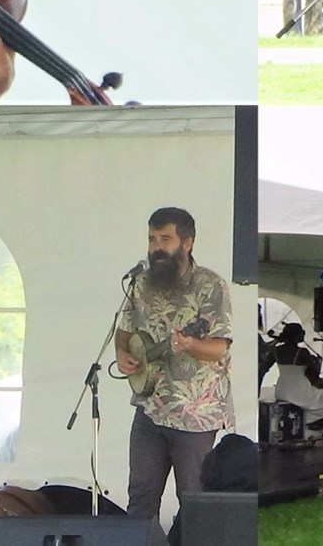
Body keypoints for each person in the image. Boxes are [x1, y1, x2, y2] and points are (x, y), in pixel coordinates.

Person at [112, 208, 233, 529]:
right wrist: (123, 354)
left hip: (195, 416)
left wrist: (191, 345)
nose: (156, 247)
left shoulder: (210, 285)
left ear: (187, 242)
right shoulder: (141, 283)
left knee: (193, 501)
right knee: (140, 498)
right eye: (152, 239)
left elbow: (220, 346)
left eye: (165, 238)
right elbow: (123, 330)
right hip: (150, 409)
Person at [269, 324, 323, 432]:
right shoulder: (302, 352)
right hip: (298, 390)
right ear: (296, 335)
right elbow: (315, 371)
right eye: (302, 332)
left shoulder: (275, 351)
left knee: (319, 397)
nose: (304, 334)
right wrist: (315, 361)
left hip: (281, 389)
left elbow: (263, 368)